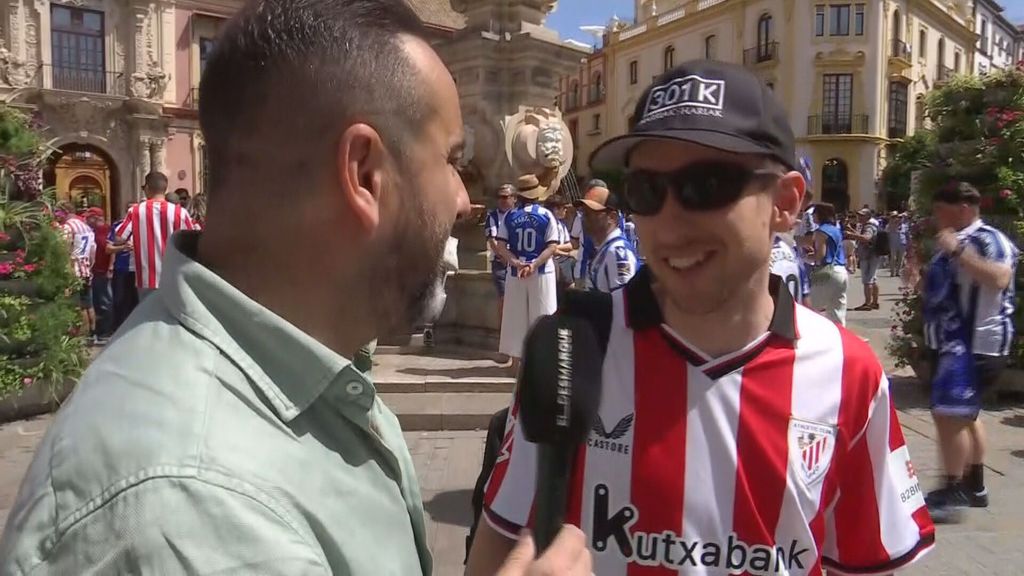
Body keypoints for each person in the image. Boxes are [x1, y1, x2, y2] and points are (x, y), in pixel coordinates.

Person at [0, 1, 590, 574]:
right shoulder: (196, 510)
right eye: (452, 162)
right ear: (364, 173)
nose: (464, 199)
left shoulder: (302, 373)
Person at [467, 60, 934, 576]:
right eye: (645, 189)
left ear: (785, 203)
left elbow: (868, 560)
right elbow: (499, 543)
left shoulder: (851, 373)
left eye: (707, 184)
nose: (669, 222)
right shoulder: (570, 350)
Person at [923, 182, 1018, 523]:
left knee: (951, 416)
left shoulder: (986, 240)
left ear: (962, 208)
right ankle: (973, 485)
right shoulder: (955, 240)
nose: (936, 218)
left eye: (940, 210)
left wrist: (957, 252)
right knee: (964, 415)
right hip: (952, 344)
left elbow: (1000, 278)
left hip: (975, 345)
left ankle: (953, 489)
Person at [495, 174, 560, 370]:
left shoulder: (510, 216)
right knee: (543, 315)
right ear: (537, 194)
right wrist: (535, 264)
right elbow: (552, 246)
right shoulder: (546, 215)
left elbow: (500, 245)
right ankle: (542, 360)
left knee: (515, 317)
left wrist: (516, 263)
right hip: (541, 272)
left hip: (516, 273)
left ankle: (515, 361)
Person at [113, 171, 198, 300]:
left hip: (146, 277)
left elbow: (119, 237)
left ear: (147, 188)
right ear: (165, 189)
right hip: (173, 275)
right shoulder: (180, 212)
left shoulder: (135, 211)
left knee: (148, 315)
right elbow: (192, 240)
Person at [575, 185, 637, 293]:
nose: (584, 218)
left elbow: (625, 303)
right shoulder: (606, 249)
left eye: (590, 214)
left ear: (612, 217)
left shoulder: (617, 253)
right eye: (583, 213)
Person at [55, 203, 96, 337]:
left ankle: (80, 335)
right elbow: (93, 251)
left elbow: (62, 249)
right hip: (86, 269)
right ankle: (92, 332)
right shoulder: (87, 227)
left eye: (58, 212)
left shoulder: (67, 227)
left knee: (76, 304)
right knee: (88, 304)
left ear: (65, 212)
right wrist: (89, 266)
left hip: (73, 270)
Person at [809, 202, 849, 326]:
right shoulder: (836, 230)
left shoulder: (821, 231)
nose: (812, 217)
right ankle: (840, 337)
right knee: (837, 311)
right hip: (841, 270)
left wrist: (806, 257)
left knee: (812, 308)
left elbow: (820, 255)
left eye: (814, 214)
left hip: (827, 272)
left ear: (819, 215)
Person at [485, 184, 517, 327]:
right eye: (499, 197)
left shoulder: (520, 215)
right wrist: (504, 257)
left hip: (517, 262)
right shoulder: (492, 217)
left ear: (514, 198)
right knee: (504, 298)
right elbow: (492, 241)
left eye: (505, 197)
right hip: (500, 263)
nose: (501, 200)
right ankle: (503, 332)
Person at [570, 179, 607, 287]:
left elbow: (574, 242)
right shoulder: (615, 216)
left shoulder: (581, 217)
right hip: (604, 273)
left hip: (585, 272)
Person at [84, 208, 113, 343]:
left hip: (102, 271)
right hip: (95, 271)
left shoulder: (104, 230)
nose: (87, 220)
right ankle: (99, 331)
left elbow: (110, 249)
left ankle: (105, 331)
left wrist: (110, 268)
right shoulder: (93, 231)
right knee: (97, 302)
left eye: (89, 218)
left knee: (104, 302)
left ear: (96, 218)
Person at [106, 213, 138, 333]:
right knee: (119, 301)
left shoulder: (147, 225)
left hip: (140, 270)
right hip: (122, 269)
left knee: (136, 303)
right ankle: (117, 330)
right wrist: (124, 247)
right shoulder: (119, 227)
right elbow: (108, 249)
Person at [846, 207, 881, 310]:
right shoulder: (867, 226)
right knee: (873, 279)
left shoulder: (869, 227)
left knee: (867, 280)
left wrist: (850, 234)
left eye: (862, 215)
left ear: (868, 216)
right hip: (871, 254)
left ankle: (867, 303)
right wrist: (852, 231)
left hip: (868, 255)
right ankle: (874, 302)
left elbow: (866, 238)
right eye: (859, 215)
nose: (859, 217)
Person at [769, 232, 812, 307]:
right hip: (795, 314)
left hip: (773, 315)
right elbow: (805, 295)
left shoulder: (792, 249)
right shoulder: (791, 249)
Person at [544, 194, 576, 293]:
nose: (565, 211)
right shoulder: (546, 225)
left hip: (562, 260)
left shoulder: (561, 225)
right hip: (551, 261)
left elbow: (569, 245)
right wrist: (560, 251)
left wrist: (554, 247)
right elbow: (547, 250)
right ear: (555, 209)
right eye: (563, 208)